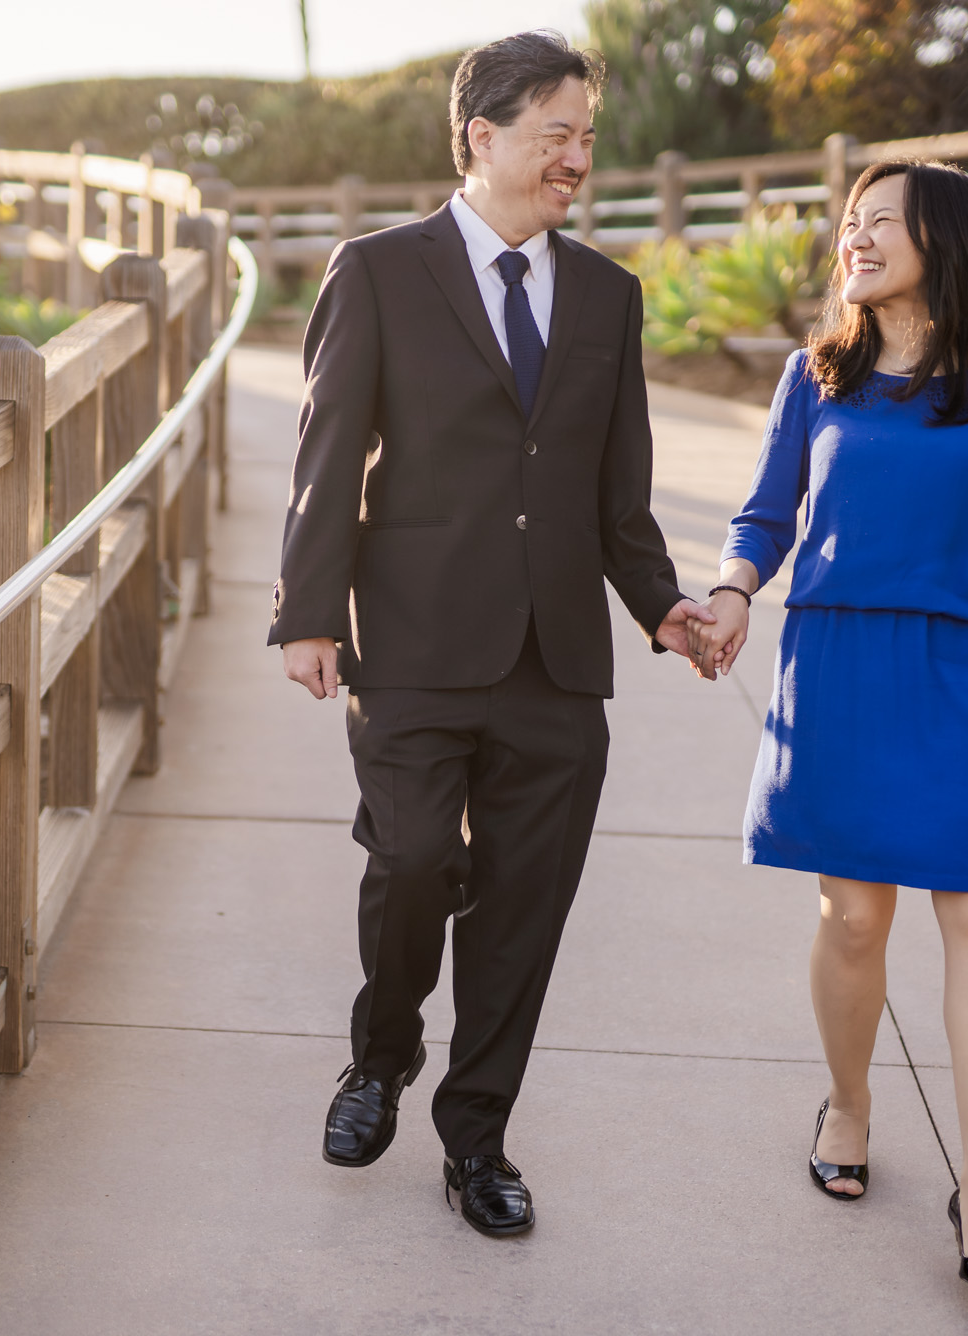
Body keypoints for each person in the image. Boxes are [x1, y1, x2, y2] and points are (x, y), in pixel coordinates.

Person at [267, 30, 711, 1237]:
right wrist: (307, 613)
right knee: (411, 862)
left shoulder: (608, 299)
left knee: (522, 913)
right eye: (555, 132)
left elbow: (616, 499)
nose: (578, 155)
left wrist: (662, 607)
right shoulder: (376, 271)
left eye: (584, 133)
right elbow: (327, 453)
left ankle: (478, 1142)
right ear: (481, 137)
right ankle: (381, 1054)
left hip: (556, 663)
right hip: (407, 644)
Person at [690, 160, 968, 1296]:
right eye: (849, 223)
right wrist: (729, 594)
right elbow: (765, 515)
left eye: (882, 222)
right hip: (837, 669)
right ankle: (851, 1104)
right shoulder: (815, 375)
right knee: (854, 918)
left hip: (960, 671)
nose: (854, 239)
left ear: (944, 242)